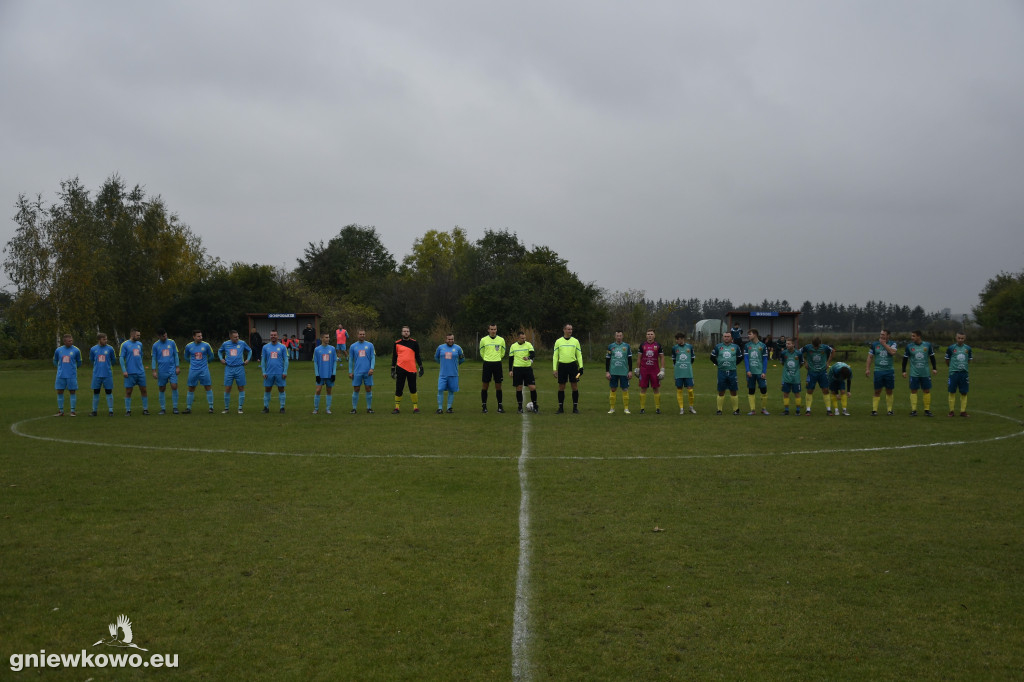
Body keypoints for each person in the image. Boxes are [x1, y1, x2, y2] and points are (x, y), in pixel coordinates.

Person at [902, 330, 938, 417]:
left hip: (925, 373)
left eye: (913, 336)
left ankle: (927, 410)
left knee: (926, 390)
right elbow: (905, 359)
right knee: (913, 390)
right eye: (912, 336)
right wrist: (904, 370)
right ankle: (914, 410)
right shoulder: (909, 346)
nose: (912, 337)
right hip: (914, 373)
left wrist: (934, 368)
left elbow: (932, 357)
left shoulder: (927, 345)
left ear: (919, 336)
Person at [391, 325, 424, 414]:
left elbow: (417, 356)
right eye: (404, 331)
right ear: (401, 333)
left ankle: (415, 408)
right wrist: (393, 368)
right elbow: (394, 357)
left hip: (411, 369)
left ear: (409, 333)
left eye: (407, 331)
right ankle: (397, 408)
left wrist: (421, 367)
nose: (406, 333)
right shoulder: (397, 343)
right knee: (399, 388)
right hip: (400, 369)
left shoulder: (414, 343)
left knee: (413, 388)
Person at [218, 329, 251, 414]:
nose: (237, 338)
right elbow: (219, 351)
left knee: (241, 387)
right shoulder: (225, 344)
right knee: (228, 388)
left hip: (240, 368)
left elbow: (250, 350)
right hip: (229, 368)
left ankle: (240, 408)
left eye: (238, 336)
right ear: (230, 337)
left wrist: (248, 359)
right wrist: (221, 359)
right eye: (235, 337)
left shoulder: (242, 343)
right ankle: (226, 408)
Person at [552, 323, 583, 413]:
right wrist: (554, 369)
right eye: (568, 329)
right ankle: (560, 408)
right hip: (562, 366)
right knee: (561, 386)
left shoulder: (575, 341)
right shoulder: (558, 341)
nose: (570, 331)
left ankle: (575, 408)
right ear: (564, 330)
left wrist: (581, 367)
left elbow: (579, 355)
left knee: (574, 385)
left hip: (573, 366)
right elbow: (555, 356)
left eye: (571, 329)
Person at [866, 329, 898, 416]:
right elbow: (870, 357)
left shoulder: (893, 344)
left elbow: (892, 352)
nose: (881, 336)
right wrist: (867, 369)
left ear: (888, 336)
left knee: (889, 390)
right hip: (878, 371)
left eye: (883, 334)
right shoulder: (874, 345)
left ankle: (889, 410)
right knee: (877, 390)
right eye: (881, 334)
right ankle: (874, 410)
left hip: (889, 371)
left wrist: (884, 344)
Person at [183, 330, 215, 414]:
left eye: (201, 336)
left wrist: (207, 363)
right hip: (193, 370)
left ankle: (211, 407)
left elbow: (211, 356)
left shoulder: (206, 345)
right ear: (194, 337)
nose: (200, 337)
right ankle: (188, 408)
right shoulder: (189, 346)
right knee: (191, 388)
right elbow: (185, 356)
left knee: (207, 386)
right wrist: (191, 363)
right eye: (198, 336)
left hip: (204, 370)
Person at [801, 337, 835, 416]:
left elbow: (833, 351)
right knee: (810, 390)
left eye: (817, 346)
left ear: (820, 344)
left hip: (822, 372)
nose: (816, 348)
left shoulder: (825, 347)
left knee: (825, 390)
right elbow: (798, 352)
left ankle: (829, 410)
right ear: (812, 344)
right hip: (811, 372)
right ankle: (808, 410)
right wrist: (804, 362)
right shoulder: (807, 347)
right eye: (814, 346)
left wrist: (828, 362)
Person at [711, 331, 742, 415]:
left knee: (733, 390)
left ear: (731, 338)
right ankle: (719, 410)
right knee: (721, 391)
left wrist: (734, 364)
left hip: (732, 372)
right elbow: (712, 357)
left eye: (728, 336)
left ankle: (736, 410)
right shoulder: (718, 346)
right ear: (723, 337)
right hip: (721, 372)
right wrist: (718, 364)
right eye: (725, 336)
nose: (726, 338)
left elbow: (740, 357)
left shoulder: (736, 347)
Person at [119, 328, 149, 415]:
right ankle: (128, 410)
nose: (139, 337)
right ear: (132, 335)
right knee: (128, 391)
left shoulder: (140, 344)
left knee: (144, 390)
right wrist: (124, 370)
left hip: (140, 372)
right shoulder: (125, 344)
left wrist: (140, 365)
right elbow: (121, 358)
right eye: (137, 335)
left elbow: (141, 355)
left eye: (139, 335)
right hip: (130, 372)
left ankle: (145, 409)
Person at [151, 328, 181, 415]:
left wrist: (177, 367)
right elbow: (154, 359)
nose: (165, 337)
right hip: (162, 370)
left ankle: (175, 407)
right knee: (162, 388)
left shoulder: (172, 342)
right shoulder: (155, 345)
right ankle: (163, 408)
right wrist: (154, 371)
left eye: (166, 335)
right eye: (163, 336)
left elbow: (176, 355)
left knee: (174, 386)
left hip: (172, 369)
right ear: (159, 336)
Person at [479, 324, 507, 413]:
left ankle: (500, 406)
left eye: (494, 329)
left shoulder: (501, 340)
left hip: (497, 364)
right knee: (485, 385)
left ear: (496, 330)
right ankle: (484, 406)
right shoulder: (483, 340)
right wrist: (486, 358)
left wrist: (497, 358)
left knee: (498, 385)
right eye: (491, 329)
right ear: (488, 330)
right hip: (487, 364)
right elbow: (481, 352)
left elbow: (503, 352)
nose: (493, 331)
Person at [434, 333, 466, 413]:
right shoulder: (440, 347)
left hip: (453, 374)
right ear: (446, 340)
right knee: (440, 390)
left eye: (452, 339)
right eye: (449, 339)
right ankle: (440, 408)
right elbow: (436, 357)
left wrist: (456, 364)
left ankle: (449, 408)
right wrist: (442, 363)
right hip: (443, 374)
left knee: (451, 391)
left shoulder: (458, 348)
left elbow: (462, 359)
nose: (450, 341)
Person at [509, 330, 538, 413]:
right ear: (518, 338)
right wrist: (510, 370)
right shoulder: (513, 346)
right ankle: (520, 407)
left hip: (527, 369)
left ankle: (535, 406)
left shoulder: (528, 344)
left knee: (532, 387)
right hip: (517, 369)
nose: (524, 339)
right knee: (519, 388)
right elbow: (511, 359)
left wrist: (528, 358)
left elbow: (533, 354)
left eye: (524, 338)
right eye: (522, 338)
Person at [53, 333, 82, 416]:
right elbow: (55, 360)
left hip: (71, 375)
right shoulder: (59, 350)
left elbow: (79, 362)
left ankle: (72, 411)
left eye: (71, 340)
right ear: (65, 342)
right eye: (69, 341)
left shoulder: (76, 350)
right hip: (61, 375)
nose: (71, 342)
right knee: (59, 391)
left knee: (72, 391)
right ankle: (61, 411)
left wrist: (73, 369)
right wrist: (59, 368)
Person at [637, 329, 665, 414]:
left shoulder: (658, 345)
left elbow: (662, 357)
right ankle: (642, 408)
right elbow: (639, 358)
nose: (650, 336)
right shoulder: (642, 345)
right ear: (646, 336)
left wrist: (662, 369)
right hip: (644, 370)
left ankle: (658, 408)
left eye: (651, 334)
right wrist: (637, 368)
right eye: (648, 334)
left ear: (654, 336)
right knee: (643, 388)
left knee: (656, 388)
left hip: (655, 370)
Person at [945, 331, 972, 417]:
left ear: (965, 338)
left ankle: (963, 411)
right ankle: (951, 411)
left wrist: (963, 367)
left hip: (964, 373)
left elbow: (969, 360)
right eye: (959, 338)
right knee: (952, 391)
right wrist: (952, 368)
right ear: (956, 338)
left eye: (962, 338)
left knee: (964, 392)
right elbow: (947, 360)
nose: (960, 340)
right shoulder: (951, 348)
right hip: (953, 373)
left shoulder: (968, 348)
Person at [605, 330, 633, 414]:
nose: (619, 337)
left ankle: (626, 409)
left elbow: (630, 359)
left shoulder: (627, 346)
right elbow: (607, 359)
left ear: (622, 336)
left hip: (624, 372)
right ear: (615, 336)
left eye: (620, 336)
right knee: (613, 389)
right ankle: (612, 408)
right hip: (613, 371)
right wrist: (607, 372)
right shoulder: (610, 346)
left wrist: (630, 371)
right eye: (617, 336)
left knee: (625, 389)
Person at [261, 329, 289, 413]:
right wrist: (264, 371)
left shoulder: (282, 347)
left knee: (281, 389)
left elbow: (286, 360)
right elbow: (263, 360)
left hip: (280, 372)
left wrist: (285, 371)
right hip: (269, 372)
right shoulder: (265, 347)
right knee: (267, 389)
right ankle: (266, 407)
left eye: (274, 335)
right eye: (271, 335)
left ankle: (282, 408)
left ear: (277, 336)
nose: (273, 336)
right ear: (270, 336)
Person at [348, 329, 376, 413]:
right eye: (360, 334)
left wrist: (372, 368)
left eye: (363, 334)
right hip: (357, 371)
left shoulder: (370, 345)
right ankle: (354, 408)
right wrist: (350, 371)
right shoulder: (353, 346)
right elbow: (350, 360)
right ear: (357, 335)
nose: (362, 335)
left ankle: (369, 408)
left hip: (368, 371)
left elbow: (373, 357)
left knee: (368, 389)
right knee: (356, 389)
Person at [89, 332, 116, 417]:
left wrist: (108, 367)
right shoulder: (93, 349)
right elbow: (91, 360)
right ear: (99, 340)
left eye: (106, 339)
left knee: (109, 391)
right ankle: (94, 411)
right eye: (104, 339)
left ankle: (111, 410)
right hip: (97, 374)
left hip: (107, 374)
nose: (106, 341)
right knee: (96, 392)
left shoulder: (110, 349)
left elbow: (113, 360)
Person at [744, 329, 770, 415]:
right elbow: (746, 359)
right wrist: (748, 370)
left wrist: (764, 372)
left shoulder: (762, 346)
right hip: (750, 373)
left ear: (755, 334)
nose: (748, 336)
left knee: (763, 390)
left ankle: (764, 409)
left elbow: (765, 359)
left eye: (750, 334)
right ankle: (752, 410)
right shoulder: (747, 345)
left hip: (760, 372)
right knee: (751, 390)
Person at [312, 332, 339, 414]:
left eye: (328, 337)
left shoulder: (332, 349)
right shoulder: (317, 349)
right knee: (318, 390)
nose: (328, 339)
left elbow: (335, 361)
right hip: (320, 374)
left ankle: (328, 409)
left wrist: (334, 373)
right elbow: (315, 362)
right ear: (322, 338)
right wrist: (317, 375)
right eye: (326, 337)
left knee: (329, 391)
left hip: (329, 374)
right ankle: (316, 409)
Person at [671, 332, 697, 415]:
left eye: (678, 339)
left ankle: (691, 407)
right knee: (679, 389)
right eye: (676, 339)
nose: (677, 341)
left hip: (688, 372)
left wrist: (687, 365)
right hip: (678, 372)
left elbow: (692, 358)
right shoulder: (674, 348)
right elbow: (674, 360)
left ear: (682, 339)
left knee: (690, 390)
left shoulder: (689, 347)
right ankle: (681, 408)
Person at [779, 338, 804, 415]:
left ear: (793, 344)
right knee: (785, 393)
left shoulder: (798, 353)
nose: (787, 345)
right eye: (786, 343)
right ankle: (786, 410)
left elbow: (801, 363)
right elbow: (782, 362)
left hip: (796, 378)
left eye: (789, 344)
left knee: (797, 393)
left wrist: (795, 370)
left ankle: (798, 411)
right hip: (786, 377)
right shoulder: (783, 353)